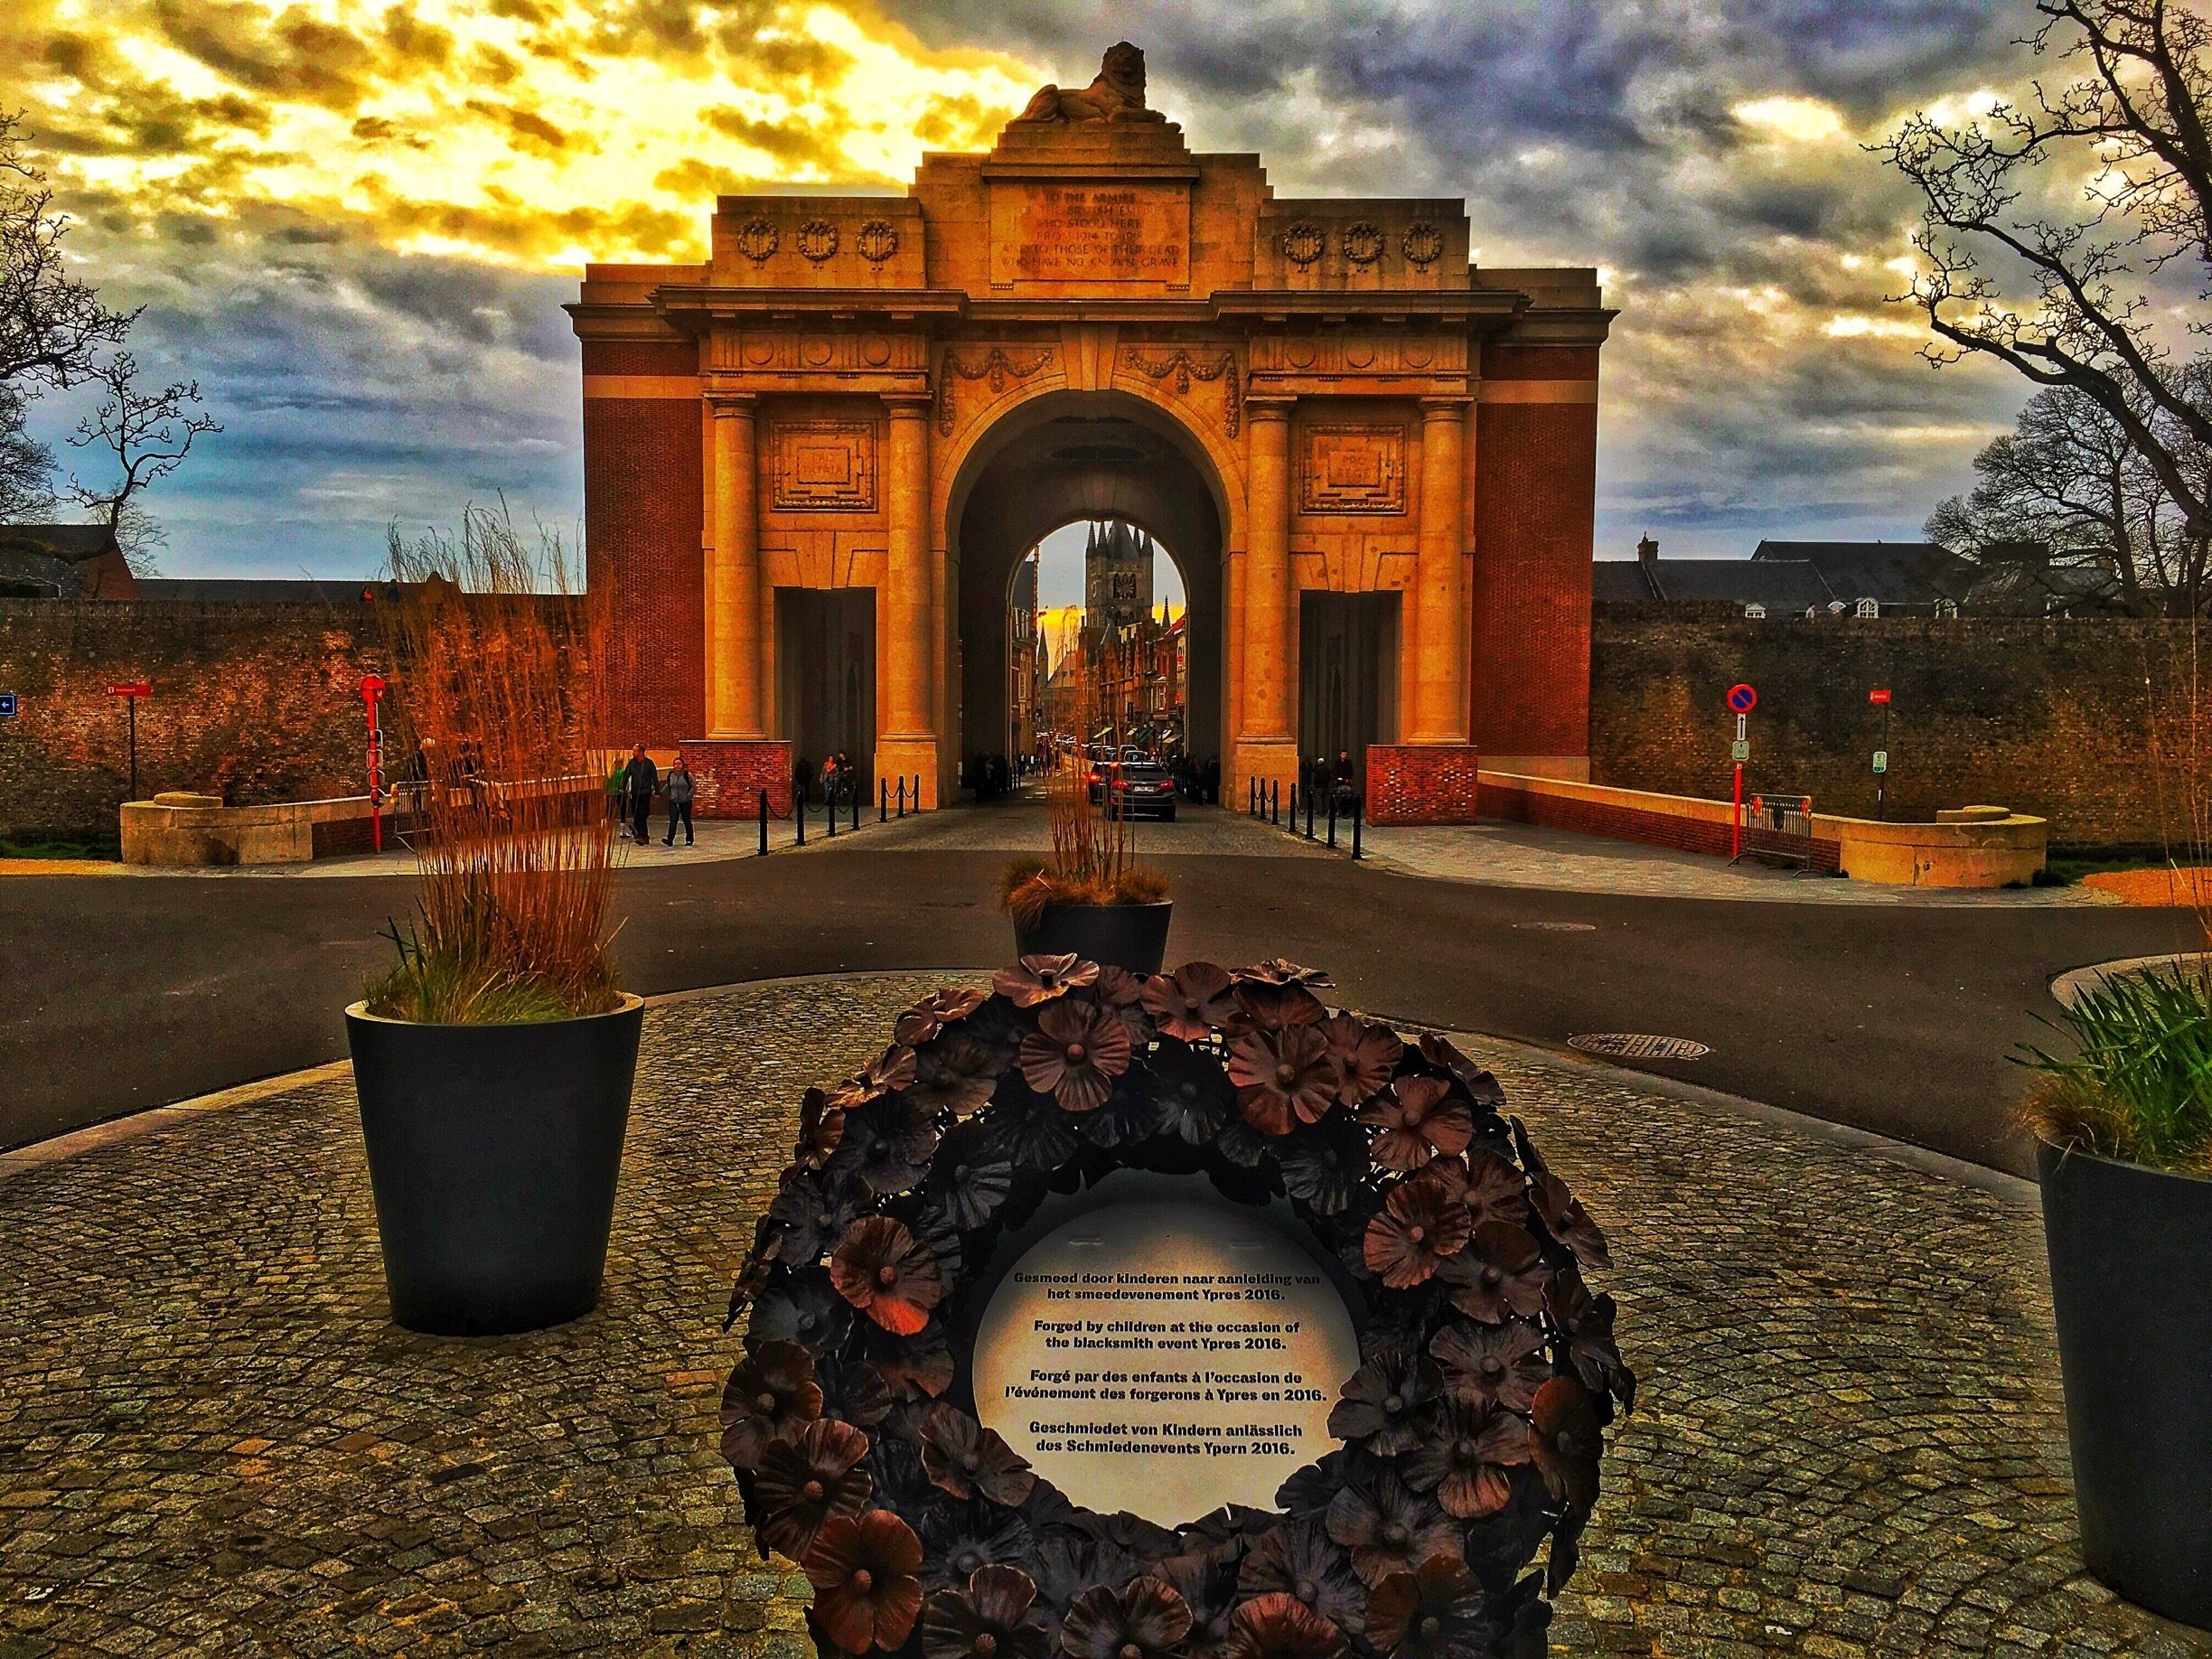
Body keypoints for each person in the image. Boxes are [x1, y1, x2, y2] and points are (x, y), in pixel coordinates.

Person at [623, 744, 658, 846]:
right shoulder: (632, 763)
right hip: (635, 792)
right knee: (636, 813)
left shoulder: (649, 763)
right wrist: (622, 787)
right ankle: (638, 832)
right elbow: (626, 775)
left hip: (645, 792)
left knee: (642, 814)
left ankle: (643, 835)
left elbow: (654, 778)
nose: (633, 753)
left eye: (635, 751)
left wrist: (657, 791)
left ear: (641, 752)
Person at [661, 757, 695, 847]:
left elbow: (693, 787)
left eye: (679, 763)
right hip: (674, 801)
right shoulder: (671, 775)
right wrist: (659, 793)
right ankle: (670, 839)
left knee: (686, 820)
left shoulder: (687, 775)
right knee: (673, 820)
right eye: (676, 764)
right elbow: (668, 785)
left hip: (685, 802)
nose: (678, 765)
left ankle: (689, 839)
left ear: (683, 765)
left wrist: (688, 796)